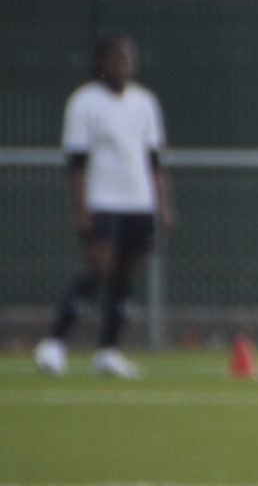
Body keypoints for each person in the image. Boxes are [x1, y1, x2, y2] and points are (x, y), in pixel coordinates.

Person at [35, 35, 169, 380]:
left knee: (126, 275)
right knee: (98, 268)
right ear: (102, 63)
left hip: (138, 201)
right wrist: (81, 209)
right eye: (117, 59)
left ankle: (108, 351)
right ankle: (54, 343)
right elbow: (77, 162)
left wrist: (162, 205)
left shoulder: (144, 102)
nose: (124, 66)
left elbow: (154, 159)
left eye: (129, 59)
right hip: (102, 199)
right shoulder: (84, 102)